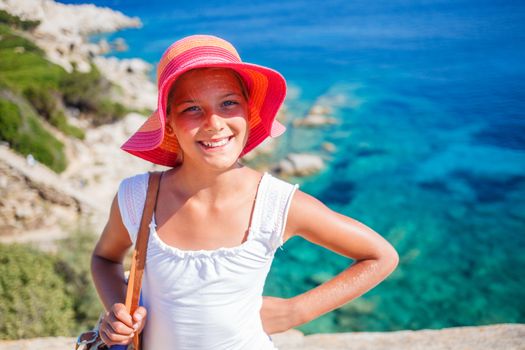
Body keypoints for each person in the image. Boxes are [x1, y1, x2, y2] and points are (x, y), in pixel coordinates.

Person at [91, 34, 399, 350]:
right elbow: (104, 258)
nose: (213, 123)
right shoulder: (137, 197)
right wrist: (118, 310)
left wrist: (296, 310)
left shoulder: (276, 204)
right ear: (168, 122)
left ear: (248, 113)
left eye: (228, 104)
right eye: (192, 108)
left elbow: (381, 255)